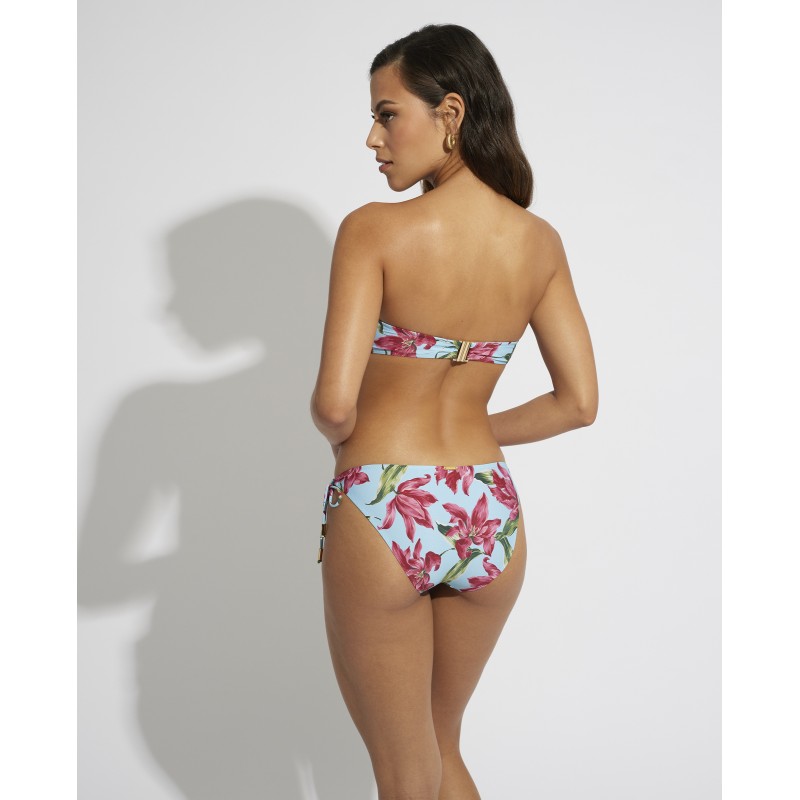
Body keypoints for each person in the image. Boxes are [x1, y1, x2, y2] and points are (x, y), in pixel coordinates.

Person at [310, 23, 598, 800]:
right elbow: (578, 404)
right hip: (486, 507)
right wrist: (469, 431)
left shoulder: (373, 229)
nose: (373, 139)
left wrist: (355, 440)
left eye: (387, 114)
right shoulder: (538, 242)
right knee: (441, 749)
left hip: (384, 501)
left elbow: (334, 404)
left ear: (450, 112)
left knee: (405, 776)